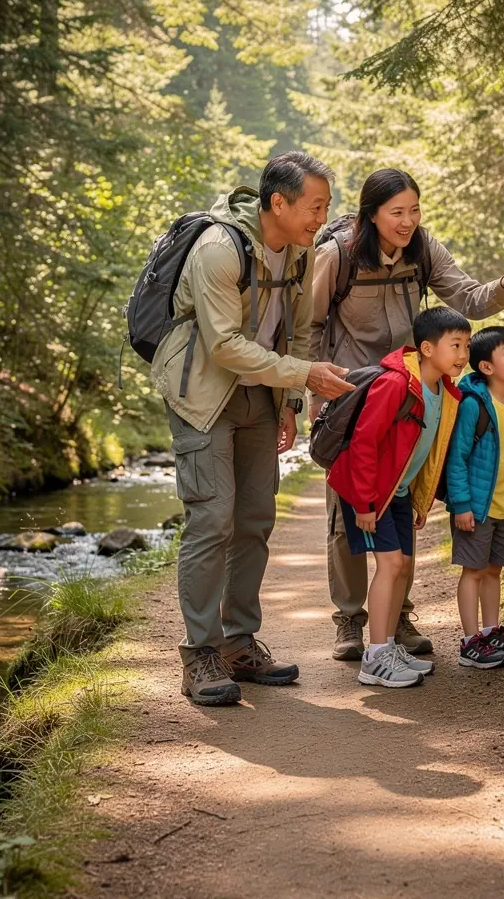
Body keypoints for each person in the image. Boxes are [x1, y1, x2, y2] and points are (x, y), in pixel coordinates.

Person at [309, 168, 504, 662]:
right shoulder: (338, 256)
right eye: (397, 212)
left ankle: (397, 616)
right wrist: (309, 390)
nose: (408, 221)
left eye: (414, 210)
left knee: (405, 500)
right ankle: (350, 620)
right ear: (372, 214)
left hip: (415, 393)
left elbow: (469, 299)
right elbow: (306, 327)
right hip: (351, 395)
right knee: (349, 510)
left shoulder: (423, 249)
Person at [152, 151, 355, 707]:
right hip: (203, 394)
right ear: (277, 203)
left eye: (326, 205)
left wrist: (291, 398)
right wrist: (304, 375)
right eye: (315, 206)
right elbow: (222, 346)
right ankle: (200, 653)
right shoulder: (219, 250)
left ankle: (239, 643)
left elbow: (299, 329)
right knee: (212, 517)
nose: (323, 216)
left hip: (262, 395)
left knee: (255, 519)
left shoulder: (302, 249)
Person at [327, 306, 471, 687]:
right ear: (426, 348)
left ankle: (387, 644)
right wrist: (364, 503)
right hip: (371, 492)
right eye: (454, 345)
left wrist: (419, 499)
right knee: (390, 566)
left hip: (399, 491)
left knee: (404, 568)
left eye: (466, 346)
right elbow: (363, 443)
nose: (462, 355)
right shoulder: (395, 384)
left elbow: (426, 450)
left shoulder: (445, 390)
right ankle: (374, 659)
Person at [444, 326, 504, 669]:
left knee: (494, 569)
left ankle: (491, 631)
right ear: (486, 367)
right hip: (478, 506)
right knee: (473, 570)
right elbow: (457, 458)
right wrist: (462, 504)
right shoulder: (474, 405)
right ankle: (470, 641)